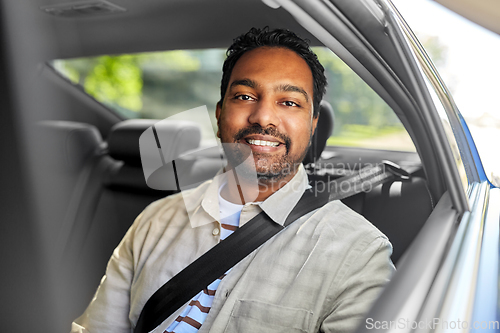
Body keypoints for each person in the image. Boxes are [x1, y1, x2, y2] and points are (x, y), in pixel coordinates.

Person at [71, 27, 394, 333]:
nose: (263, 117)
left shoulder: (358, 253)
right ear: (218, 114)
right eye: (244, 97)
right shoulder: (154, 221)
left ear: (312, 126)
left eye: (289, 102)